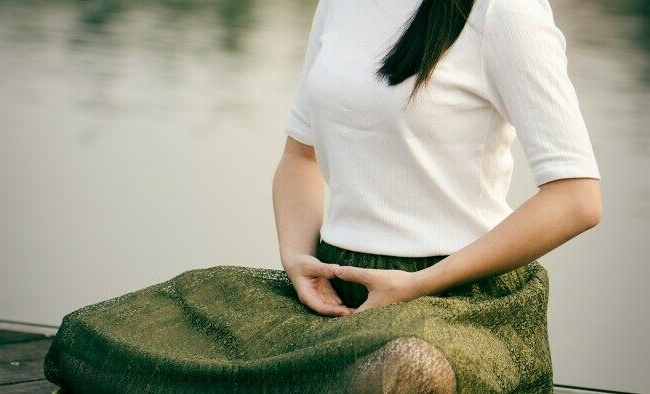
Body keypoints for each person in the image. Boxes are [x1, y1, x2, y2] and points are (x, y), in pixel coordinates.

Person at [44, 0, 602, 392]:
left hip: (461, 301)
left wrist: (421, 283)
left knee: (399, 371)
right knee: (97, 335)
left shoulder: (503, 10)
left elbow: (577, 197)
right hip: (339, 291)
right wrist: (296, 259)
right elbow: (299, 158)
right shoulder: (342, 3)